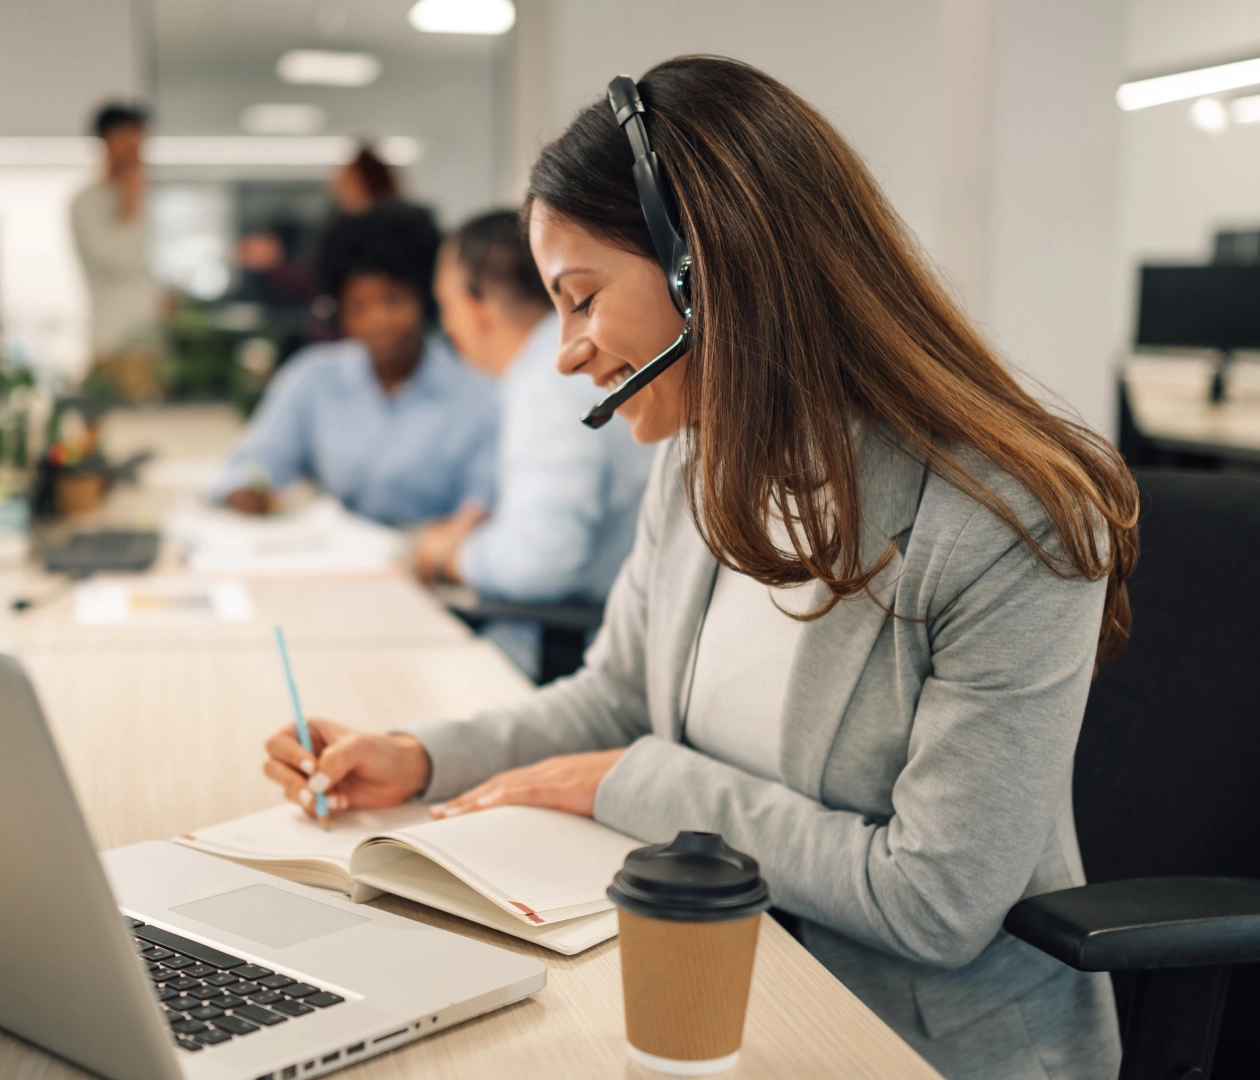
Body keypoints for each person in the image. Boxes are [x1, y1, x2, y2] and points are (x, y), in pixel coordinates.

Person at [260, 57, 1139, 1080]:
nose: (565, 353)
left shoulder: (1004, 522)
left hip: (903, 1037)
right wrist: (419, 757)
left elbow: (932, 900)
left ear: (707, 271)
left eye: (581, 300)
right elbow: (615, 696)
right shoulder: (700, 457)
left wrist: (637, 783)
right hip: (708, 970)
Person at [413, 209, 654, 679]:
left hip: (562, 655)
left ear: (477, 304)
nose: (449, 329)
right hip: (589, 634)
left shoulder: (550, 382)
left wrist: (450, 556)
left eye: (446, 307)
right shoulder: (572, 364)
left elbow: (540, 562)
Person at [214, 202, 498, 526]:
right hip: (333, 549)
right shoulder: (313, 377)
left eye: (393, 300)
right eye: (357, 306)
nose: (377, 321)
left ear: (426, 299)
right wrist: (245, 488)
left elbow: (484, 503)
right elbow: (257, 459)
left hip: (434, 553)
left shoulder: (475, 393)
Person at [70, 103, 162, 385]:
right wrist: (129, 208)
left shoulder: (145, 198)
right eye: (129, 142)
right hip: (114, 343)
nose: (136, 154)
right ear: (107, 142)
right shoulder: (86, 203)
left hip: (152, 341)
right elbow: (120, 262)